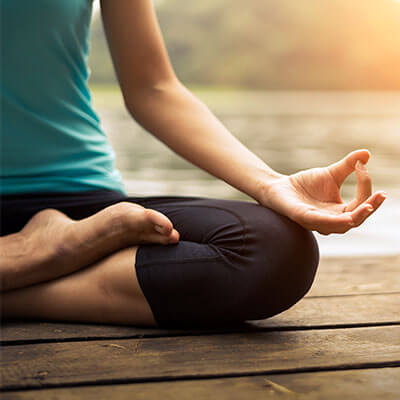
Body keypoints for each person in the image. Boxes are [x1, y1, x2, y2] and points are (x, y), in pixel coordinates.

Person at [0, 0, 386, 328]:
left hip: (80, 198)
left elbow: (153, 89)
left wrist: (270, 185)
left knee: (274, 251)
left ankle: (37, 259)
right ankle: (33, 256)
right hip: (59, 235)